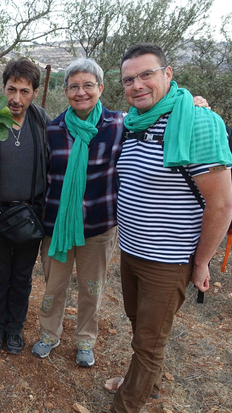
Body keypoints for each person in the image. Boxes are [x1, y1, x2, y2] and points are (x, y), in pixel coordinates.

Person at [105, 43, 232, 412]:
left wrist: (202, 261)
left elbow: (222, 204)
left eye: (147, 74)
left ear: (168, 74)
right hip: (132, 251)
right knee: (139, 324)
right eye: (129, 79)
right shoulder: (133, 123)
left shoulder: (197, 122)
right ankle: (147, 384)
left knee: (149, 341)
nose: (137, 85)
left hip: (168, 259)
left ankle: (126, 404)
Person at [30, 58, 121, 367]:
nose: (81, 92)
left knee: (91, 288)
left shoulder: (118, 125)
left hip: (98, 225)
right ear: (65, 90)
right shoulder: (53, 128)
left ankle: (85, 340)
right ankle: (49, 334)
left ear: (101, 88)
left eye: (88, 85)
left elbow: (157, 119)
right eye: (74, 86)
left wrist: (194, 105)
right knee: (53, 287)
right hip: (57, 225)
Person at [0, 58, 52, 354]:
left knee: (21, 278)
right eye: (11, 89)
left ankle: (14, 328)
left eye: (24, 91)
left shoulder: (43, 121)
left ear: (34, 92)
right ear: (3, 88)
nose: (16, 98)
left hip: (30, 216)